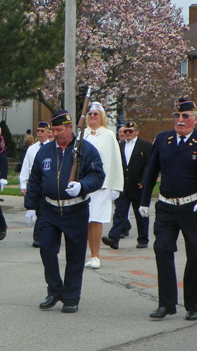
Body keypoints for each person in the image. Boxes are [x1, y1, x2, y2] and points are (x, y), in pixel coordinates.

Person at [139, 98, 197, 321]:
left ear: (195, 119)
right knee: (162, 250)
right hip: (166, 207)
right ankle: (166, 304)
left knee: (194, 256)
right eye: (177, 116)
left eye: (185, 116)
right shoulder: (163, 140)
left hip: (193, 208)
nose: (180, 120)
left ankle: (192, 305)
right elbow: (151, 171)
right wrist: (144, 201)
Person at [25, 110, 105, 313]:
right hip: (49, 209)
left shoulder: (86, 150)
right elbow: (35, 179)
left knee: (75, 255)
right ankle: (54, 290)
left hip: (75, 210)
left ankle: (71, 297)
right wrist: (31, 206)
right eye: (53, 130)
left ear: (71, 128)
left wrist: (82, 185)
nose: (55, 134)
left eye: (59, 130)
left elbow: (97, 176)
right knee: (46, 250)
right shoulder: (45, 151)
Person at [83, 102, 124, 269]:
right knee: (83, 220)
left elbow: (115, 161)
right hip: (83, 183)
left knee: (96, 220)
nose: (93, 116)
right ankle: (82, 254)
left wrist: (116, 185)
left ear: (102, 117)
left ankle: (95, 256)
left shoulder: (108, 135)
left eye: (96, 114)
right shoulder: (82, 134)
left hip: (101, 185)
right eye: (90, 113)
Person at [102, 120, 152, 250]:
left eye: (130, 131)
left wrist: (143, 181)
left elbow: (148, 165)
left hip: (138, 185)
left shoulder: (145, 146)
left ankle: (143, 239)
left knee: (140, 214)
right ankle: (114, 238)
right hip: (122, 185)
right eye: (126, 131)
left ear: (137, 132)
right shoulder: (120, 146)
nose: (128, 133)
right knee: (119, 213)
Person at [20, 121, 52, 247]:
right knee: (38, 209)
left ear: (49, 133)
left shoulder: (52, 147)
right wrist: (23, 185)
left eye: (42, 131)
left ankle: (39, 236)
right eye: (37, 131)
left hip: (47, 183)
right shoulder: (32, 149)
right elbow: (25, 167)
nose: (39, 133)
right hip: (34, 183)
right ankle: (38, 236)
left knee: (44, 211)